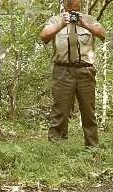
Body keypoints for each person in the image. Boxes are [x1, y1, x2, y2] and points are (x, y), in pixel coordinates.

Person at [40, 0, 105, 147]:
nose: (73, 13)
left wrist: (85, 24)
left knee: (89, 112)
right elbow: (44, 36)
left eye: (76, 9)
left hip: (86, 71)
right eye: (70, 10)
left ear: (80, 5)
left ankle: (92, 148)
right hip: (62, 71)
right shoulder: (55, 20)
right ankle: (56, 148)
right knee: (60, 112)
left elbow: (102, 34)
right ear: (64, 6)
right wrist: (61, 25)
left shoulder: (89, 19)